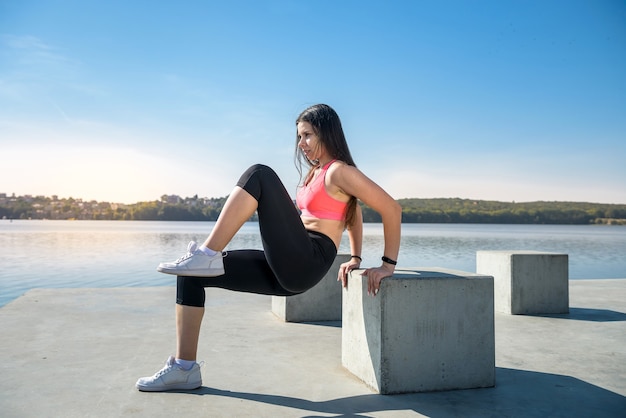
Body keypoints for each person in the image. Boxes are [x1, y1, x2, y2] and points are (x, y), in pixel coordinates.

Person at [135, 103, 402, 392]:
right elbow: (353, 214)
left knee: (259, 174)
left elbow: (391, 209)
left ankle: (207, 253)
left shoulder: (339, 171)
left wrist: (387, 264)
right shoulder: (315, 173)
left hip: (308, 259)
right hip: (288, 263)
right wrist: (355, 256)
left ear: (327, 132)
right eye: (299, 137)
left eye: (308, 135)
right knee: (191, 276)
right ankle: (184, 369)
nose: (301, 144)